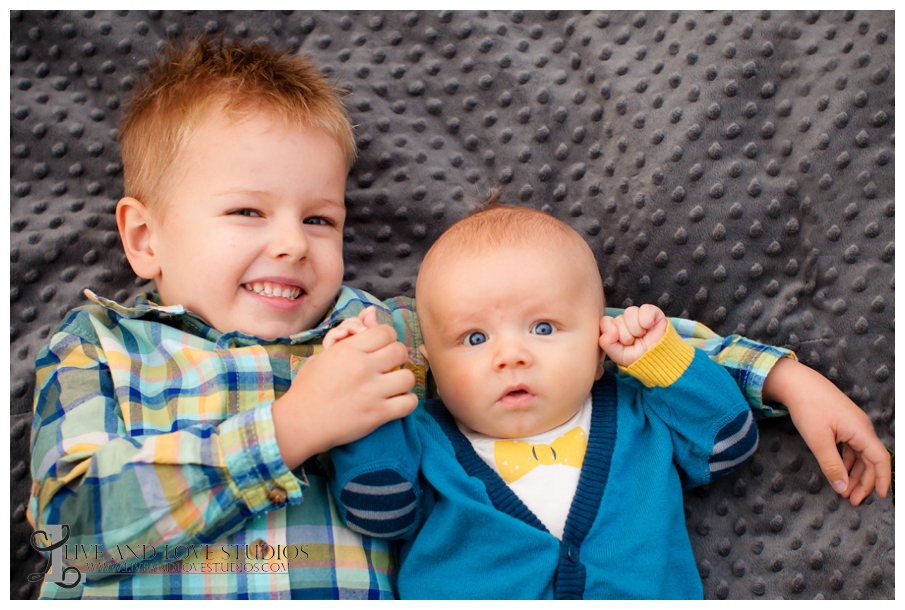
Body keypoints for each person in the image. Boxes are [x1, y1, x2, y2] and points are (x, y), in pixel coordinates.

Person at [27, 36, 889, 600]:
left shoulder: (378, 337)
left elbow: (572, 322)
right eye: (248, 213)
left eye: (319, 219)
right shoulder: (97, 348)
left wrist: (781, 375)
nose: (291, 245)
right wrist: (288, 428)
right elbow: (70, 528)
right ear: (144, 237)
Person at [326, 206, 887, 599]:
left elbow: (726, 443)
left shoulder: (639, 411)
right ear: (433, 369)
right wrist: (374, 393)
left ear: (600, 345)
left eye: (543, 327)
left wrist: (665, 364)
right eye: (475, 340)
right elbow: (379, 506)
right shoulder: (425, 438)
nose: (511, 356)